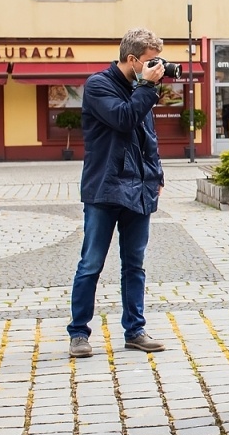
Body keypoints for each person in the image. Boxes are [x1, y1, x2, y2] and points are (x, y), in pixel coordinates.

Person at [68, 28, 168, 359]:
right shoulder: (98, 85)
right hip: (105, 188)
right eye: (151, 61)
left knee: (134, 264)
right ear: (132, 59)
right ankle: (79, 333)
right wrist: (147, 87)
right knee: (91, 264)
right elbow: (123, 119)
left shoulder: (142, 90)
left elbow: (148, 136)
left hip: (139, 188)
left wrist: (157, 174)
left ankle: (135, 331)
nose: (157, 67)